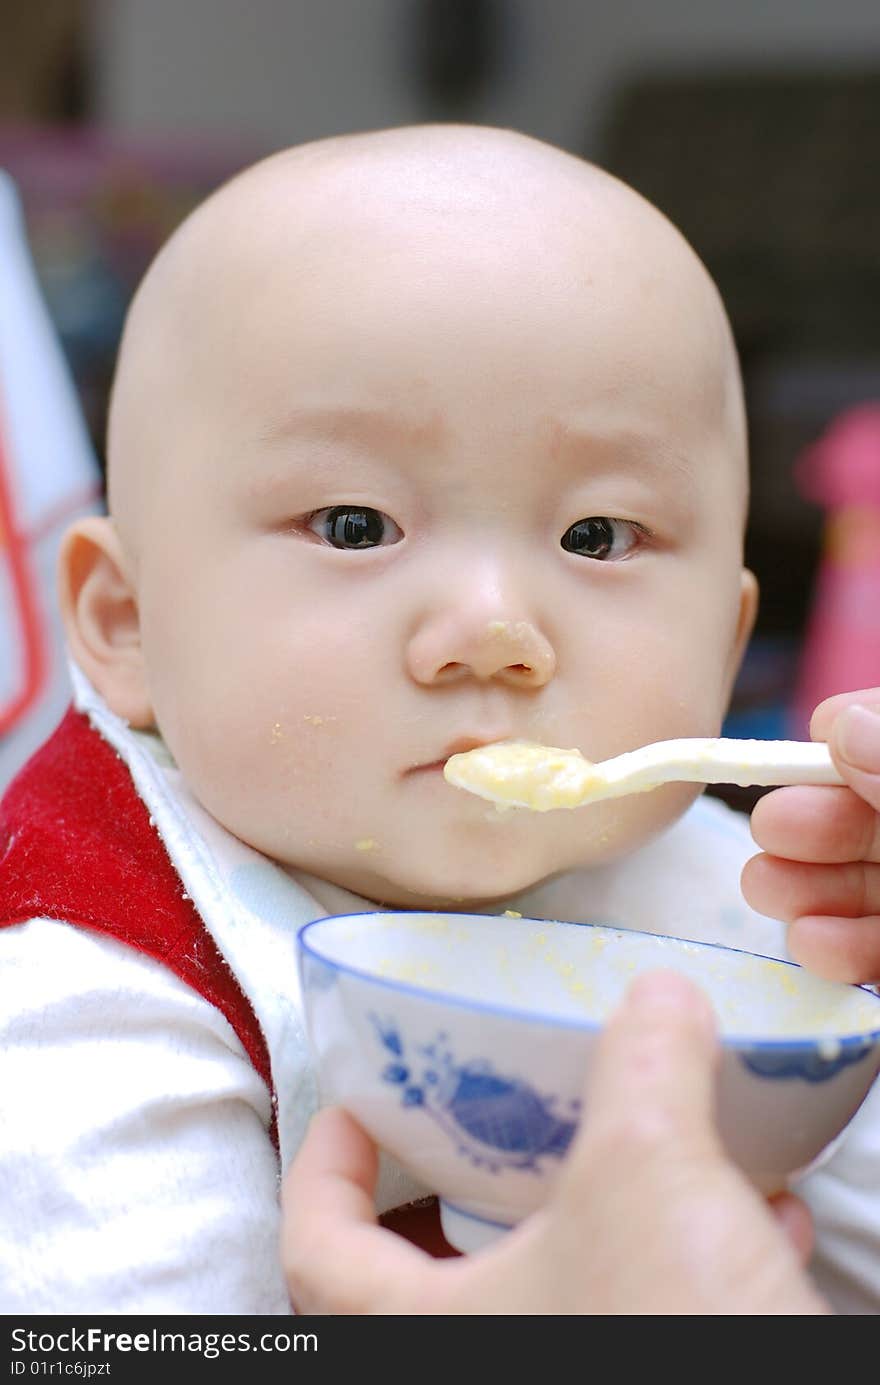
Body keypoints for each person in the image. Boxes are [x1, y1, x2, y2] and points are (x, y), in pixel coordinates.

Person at [0, 123, 877, 1314]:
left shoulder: (746, 905)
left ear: (725, 650)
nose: (491, 629)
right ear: (126, 622)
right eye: (354, 524)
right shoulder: (99, 976)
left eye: (596, 537)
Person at [282, 688, 880, 1316]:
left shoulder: (782, 899)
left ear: (727, 651)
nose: (496, 633)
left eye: (609, 578)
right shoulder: (180, 943)